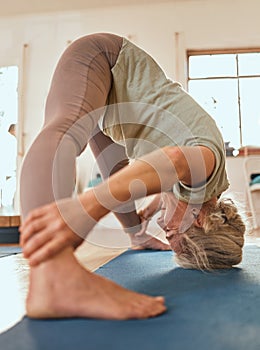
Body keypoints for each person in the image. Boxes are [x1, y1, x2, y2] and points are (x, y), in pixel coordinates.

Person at [19, 33, 245, 320]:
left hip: (114, 106)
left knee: (119, 176)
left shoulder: (201, 190)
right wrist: (86, 207)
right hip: (105, 60)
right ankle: (51, 277)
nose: (165, 229)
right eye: (175, 235)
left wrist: (141, 226)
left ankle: (135, 236)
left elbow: (154, 179)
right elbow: (172, 161)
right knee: (65, 132)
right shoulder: (206, 165)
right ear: (199, 219)